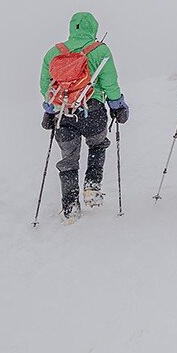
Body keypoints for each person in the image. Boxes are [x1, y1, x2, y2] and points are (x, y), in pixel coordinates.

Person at [40, 12, 129, 223]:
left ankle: (70, 207)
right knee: (97, 145)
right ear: (93, 28)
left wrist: (50, 111)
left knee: (68, 159)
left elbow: (46, 86)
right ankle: (92, 186)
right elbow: (110, 83)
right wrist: (118, 105)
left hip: (64, 113)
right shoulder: (100, 50)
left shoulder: (54, 52)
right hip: (93, 110)